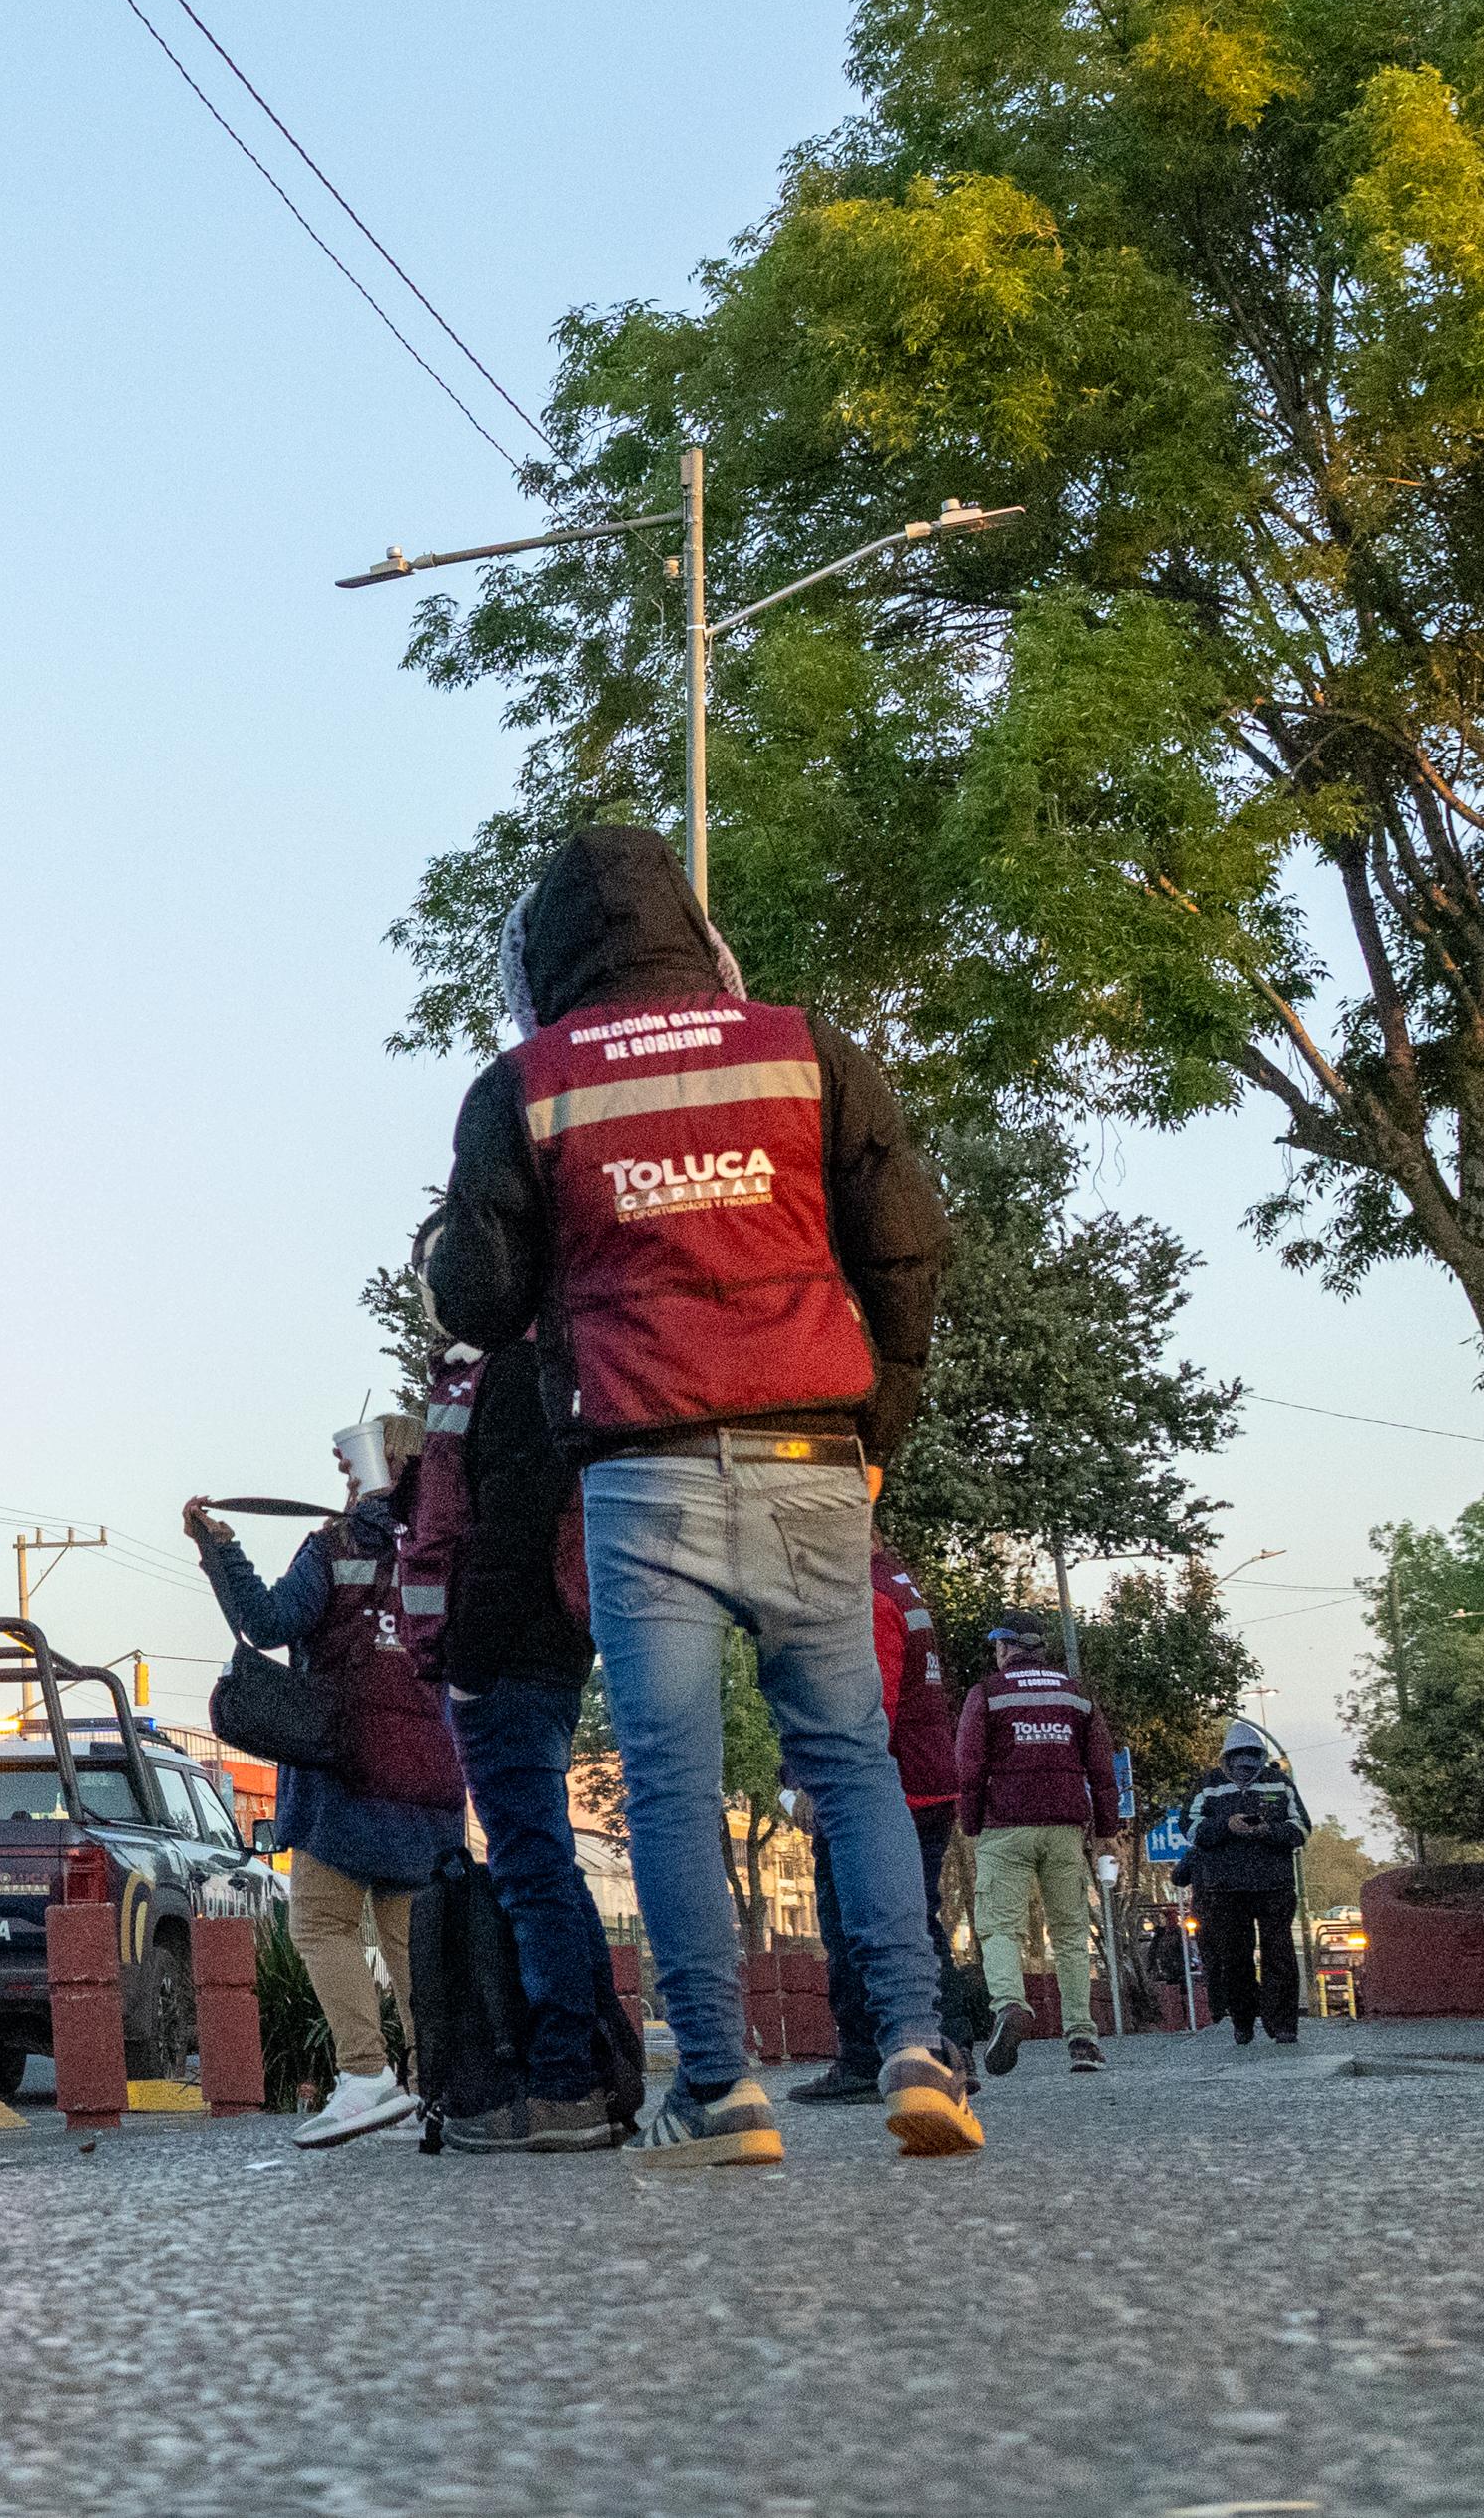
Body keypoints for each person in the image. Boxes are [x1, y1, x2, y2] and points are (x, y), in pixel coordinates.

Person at [429, 821, 976, 2165]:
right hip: (810, 1451)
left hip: (641, 1464)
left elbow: (480, 1301)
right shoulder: (807, 1049)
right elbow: (906, 1240)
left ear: (540, 959)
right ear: (696, 936)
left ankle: (722, 2091)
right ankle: (917, 2042)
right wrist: (879, 1415)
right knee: (847, 1755)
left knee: (671, 1782)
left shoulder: (528, 1084)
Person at [186, 1474, 466, 2149]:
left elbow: (268, 1621)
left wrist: (221, 1550)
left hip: (344, 1772)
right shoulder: (445, 1549)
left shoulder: (336, 1547)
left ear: (374, 1470)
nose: (342, 1479)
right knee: (412, 1946)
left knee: (321, 1922)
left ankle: (366, 2075)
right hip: (430, 1776)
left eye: (349, 1466)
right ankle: (442, 2091)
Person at [412, 1331, 627, 2153]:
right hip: (547, 1649)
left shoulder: (508, 1372)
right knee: (545, 1866)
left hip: (510, 1656)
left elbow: (510, 1519)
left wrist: (468, 1660)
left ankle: (564, 2083)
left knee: (531, 1871)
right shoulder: (549, 1364)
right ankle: (596, 2072)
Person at [790, 1551, 964, 2103]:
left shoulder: (864, 1593)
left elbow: (866, 1709)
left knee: (850, 1921)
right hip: (925, 1778)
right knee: (918, 1922)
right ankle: (944, 2053)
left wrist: (819, 1783)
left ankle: (867, 2059)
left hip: (884, 1790)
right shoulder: (896, 1580)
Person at [954, 1622, 1123, 2077]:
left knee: (1000, 1929)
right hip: (1066, 1828)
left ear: (1006, 1648)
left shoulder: (987, 1693)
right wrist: (1106, 1830)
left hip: (1005, 1828)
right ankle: (1082, 2038)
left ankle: (1009, 2005)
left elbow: (969, 1766)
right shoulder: (1076, 1695)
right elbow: (1102, 1769)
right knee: (1069, 1934)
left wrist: (971, 1825)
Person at [1181, 1720, 1312, 2049]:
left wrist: (1269, 1832)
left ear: (1260, 1755)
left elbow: (1303, 1829)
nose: (1245, 1764)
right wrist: (1226, 1826)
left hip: (1275, 1887)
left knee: (1279, 1955)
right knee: (1234, 1958)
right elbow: (1190, 1830)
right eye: (1238, 1757)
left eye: (1252, 1756)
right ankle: (1243, 2023)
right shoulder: (1207, 1786)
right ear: (1226, 1758)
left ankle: (1283, 2025)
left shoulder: (1279, 1783)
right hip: (1224, 1890)